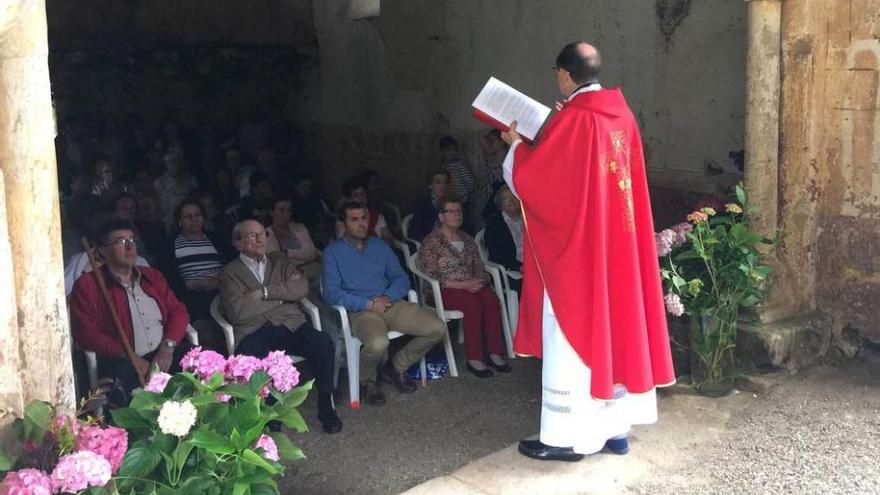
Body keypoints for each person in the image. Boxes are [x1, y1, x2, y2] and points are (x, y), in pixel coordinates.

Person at [500, 41, 675, 461]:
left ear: (564, 74)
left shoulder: (576, 120)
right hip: (618, 249)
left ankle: (565, 439)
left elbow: (538, 183)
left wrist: (514, 145)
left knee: (570, 339)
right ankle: (615, 433)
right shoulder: (621, 115)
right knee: (614, 330)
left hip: (580, 257)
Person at [220, 219, 342, 434]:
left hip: (291, 325)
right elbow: (238, 313)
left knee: (322, 342)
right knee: (247, 357)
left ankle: (326, 406)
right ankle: (266, 411)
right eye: (252, 236)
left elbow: (301, 287)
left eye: (262, 234)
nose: (260, 240)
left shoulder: (279, 260)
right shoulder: (230, 272)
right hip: (256, 330)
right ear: (238, 244)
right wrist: (280, 298)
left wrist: (264, 294)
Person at [322, 202, 446, 407]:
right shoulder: (332, 253)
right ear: (343, 224)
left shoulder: (379, 245)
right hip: (361, 311)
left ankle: (396, 367)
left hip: (390, 304)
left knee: (437, 328)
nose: (362, 224)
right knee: (379, 343)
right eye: (355, 219)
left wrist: (387, 297)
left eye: (364, 218)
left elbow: (401, 278)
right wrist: (368, 304)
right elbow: (332, 293)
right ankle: (367, 381)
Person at [69, 218, 193, 402]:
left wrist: (167, 348)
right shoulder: (88, 285)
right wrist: (129, 356)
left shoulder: (153, 277)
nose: (130, 247)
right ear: (102, 251)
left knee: (197, 362)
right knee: (121, 387)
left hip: (163, 355)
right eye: (121, 242)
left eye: (132, 240)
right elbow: (86, 333)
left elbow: (178, 311)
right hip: (123, 360)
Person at [420, 196, 509, 377]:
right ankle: (474, 359)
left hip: (470, 286)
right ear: (441, 216)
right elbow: (430, 274)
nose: (456, 215)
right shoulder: (432, 241)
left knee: (492, 300)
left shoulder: (468, 239)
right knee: (472, 305)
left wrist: (479, 282)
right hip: (442, 289)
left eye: (459, 211)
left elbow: (480, 267)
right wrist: (462, 285)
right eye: (451, 211)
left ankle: (494, 352)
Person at [265, 196, 321, 280]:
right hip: (289, 276)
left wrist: (287, 253)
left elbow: (311, 252)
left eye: (288, 210)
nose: (286, 214)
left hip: (312, 268)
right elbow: (278, 260)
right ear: (272, 212)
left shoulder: (299, 228)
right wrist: (302, 255)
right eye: (281, 210)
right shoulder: (266, 234)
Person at [483, 185, 524, 293]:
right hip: (510, 268)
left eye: (513, 197)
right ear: (500, 204)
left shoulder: (527, 218)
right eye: (505, 199)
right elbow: (496, 254)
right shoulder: (495, 224)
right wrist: (518, 267)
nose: (510, 201)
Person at [335, 177, 393, 242]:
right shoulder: (343, 220)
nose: (361, 197)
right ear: (349, 199)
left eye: (363, 193)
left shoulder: (377, 216)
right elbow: (343, 242)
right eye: (356, 195)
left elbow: (388, 239)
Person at [409, 169, 450, 242]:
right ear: (430, 185)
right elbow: (414, 231)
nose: (442, 186)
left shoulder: (453, 204)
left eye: (445, 182)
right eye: (438, 182)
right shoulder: (422, 204)